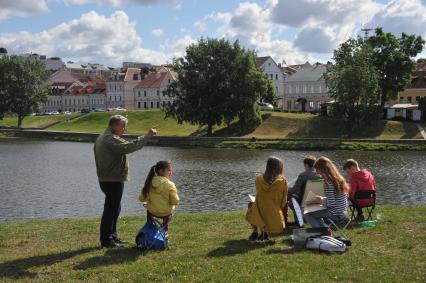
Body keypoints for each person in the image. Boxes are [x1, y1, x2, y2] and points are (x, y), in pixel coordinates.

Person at [94, 115, 157, 248]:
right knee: (111, 210)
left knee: (115, 208)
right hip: (112, 179)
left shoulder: (103, 137)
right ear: (114, 125)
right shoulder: (109, 139)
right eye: (123, 126)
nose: (125, 129)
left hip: (108, 178)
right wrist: (147, 136)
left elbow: (125, 145)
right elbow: (128, 147)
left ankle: (112, 236)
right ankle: (106, 240)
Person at [246, 156, 288, 241]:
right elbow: (284, 201)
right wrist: (275, 206)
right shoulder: (283, 182)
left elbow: (259, 194)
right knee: (262, 207)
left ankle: (255, 232)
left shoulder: (258, 178)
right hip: (274, 211)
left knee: (251, 205)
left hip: (260, 208)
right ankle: (264, 234)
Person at [304, 156, 349, 228]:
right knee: (314, 210)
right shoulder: (339, 179)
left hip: (334, 214)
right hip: (342, 212)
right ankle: (323, 229)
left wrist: (320, 201)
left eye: (318, 171)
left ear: (323, 170)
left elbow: (331, 203)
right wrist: (323, 199)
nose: (318, 174)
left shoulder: (328, 183)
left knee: (307, 212)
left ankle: (319, 231)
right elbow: (338, 198)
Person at [139, 160, 179, 233]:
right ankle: (165, 233)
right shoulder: (170, 185)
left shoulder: (148, 183)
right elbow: (175, 201)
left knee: (148, 208)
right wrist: (171, 203)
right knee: (168, 212)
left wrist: (148, 199)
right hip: (166, 213)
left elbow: (141, 199)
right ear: (161, 171)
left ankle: (149, 228)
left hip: (152, 211)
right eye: (169, 170)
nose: (171, 172)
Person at [284, 156, 321, 223]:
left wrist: (286, 188)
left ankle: (299, 219)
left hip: (304, 201)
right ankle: (304, 216)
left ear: (306, 165)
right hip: (316, 201)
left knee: (287, 194)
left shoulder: (303, 175)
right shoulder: (319, 175)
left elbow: (294, 190)